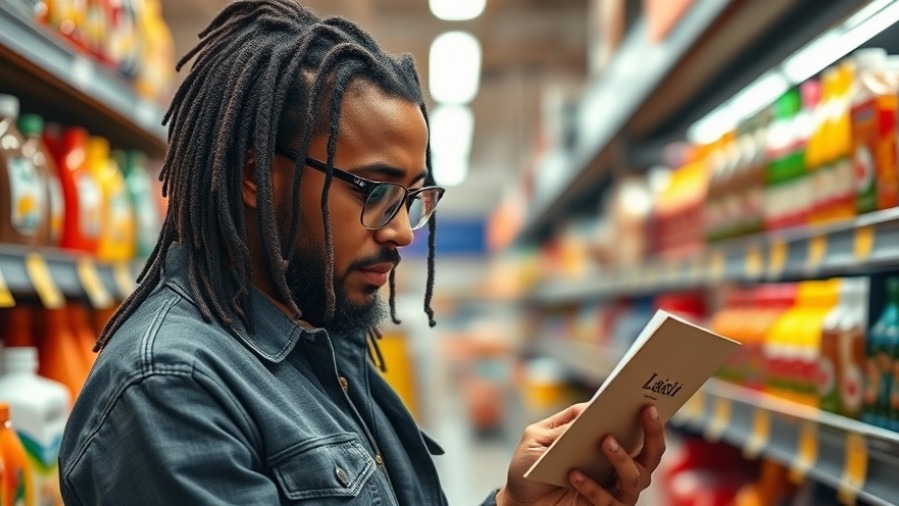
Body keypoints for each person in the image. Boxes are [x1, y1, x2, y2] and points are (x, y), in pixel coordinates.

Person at [58, 1, 666, 504]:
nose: (404, 232)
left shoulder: (323, 340)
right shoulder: (170, 390)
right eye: (375, 191)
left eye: (413, 197)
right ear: (255, 179)